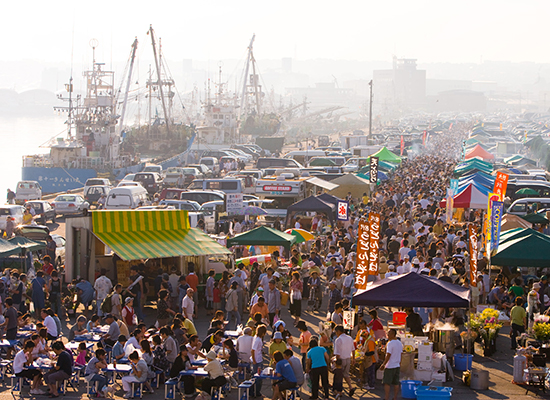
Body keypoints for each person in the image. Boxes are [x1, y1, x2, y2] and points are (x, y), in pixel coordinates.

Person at [380, 329, 403, 400]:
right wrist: (399, 362)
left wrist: (383, 364)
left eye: (389, 334)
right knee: (396, 383)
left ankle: (386, 398)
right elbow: (401, 354)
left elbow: (388, 355)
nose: (387, 335)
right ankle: (395, 397)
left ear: (393, 334)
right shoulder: (399, 343)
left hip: (390, 365)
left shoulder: (390, 343)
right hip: (397, 365)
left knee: (387, 383)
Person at [333, 325, 356, 397]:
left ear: (338, 331)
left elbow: (337, 353)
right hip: (348, 358)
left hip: (341, 359)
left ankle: (339, 391)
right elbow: (353, 349)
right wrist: (353, 359)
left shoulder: (338, 340)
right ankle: (350, 387)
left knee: (339, 376)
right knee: (346, 374)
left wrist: (336, 362)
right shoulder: (350, 338)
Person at [251, 325, 267, 397]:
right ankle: (256, 393)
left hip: (258, 359)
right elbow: (252, 350)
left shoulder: (257, 338)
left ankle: (255, 392)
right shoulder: (257, 339)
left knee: (256, 377)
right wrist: (254, 360)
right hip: (257, 360)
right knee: (257, 377)